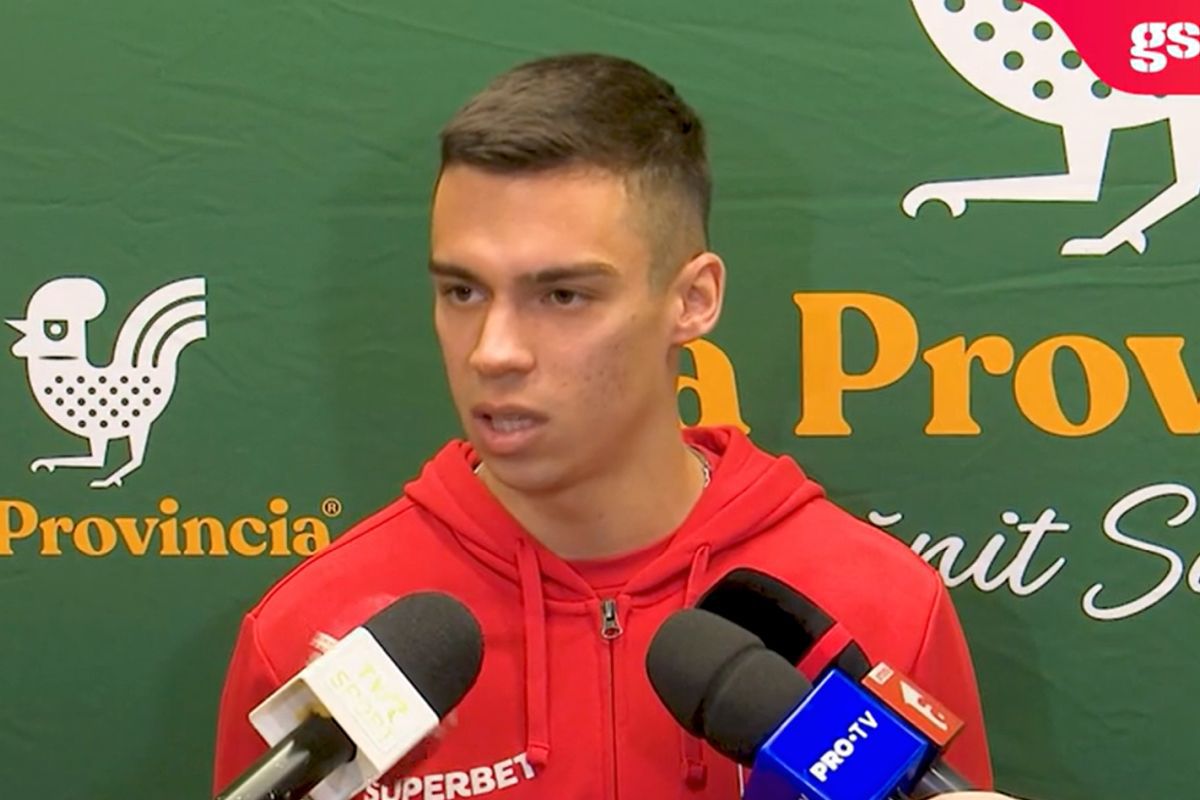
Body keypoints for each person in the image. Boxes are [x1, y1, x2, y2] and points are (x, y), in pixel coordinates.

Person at [213, 52, 1006, 800]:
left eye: (563, 296)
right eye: (462, 291)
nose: (493, 351)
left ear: (692, 300)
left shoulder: (876, 608)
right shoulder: (317, 637)